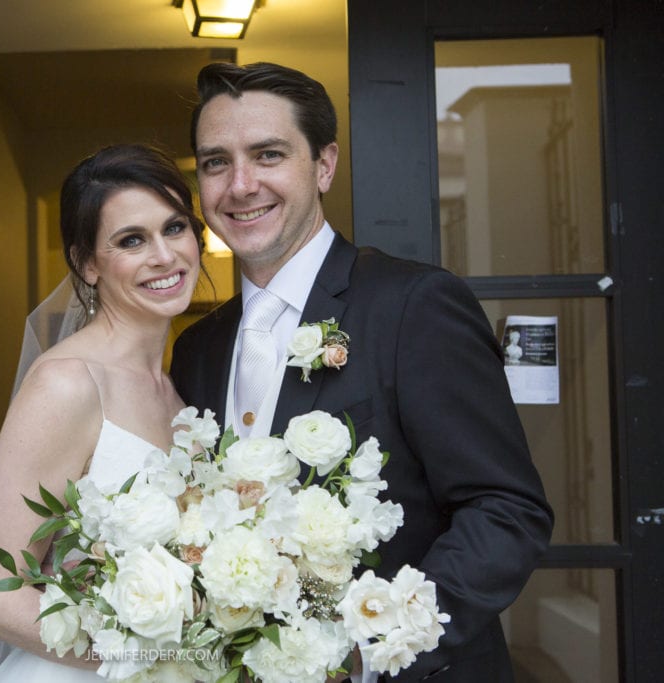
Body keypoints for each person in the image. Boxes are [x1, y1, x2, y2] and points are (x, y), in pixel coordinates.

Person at [170, 62, 553, 682]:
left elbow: (506, 509)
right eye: (216, 162)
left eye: (268, 155)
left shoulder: (415, 305)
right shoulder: (196, 348)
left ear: (324, 165)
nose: (240, 185)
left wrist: (373, 641)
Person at [0, 143, 204, 681]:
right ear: (87, 263)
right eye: (131, 240)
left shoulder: (177, 393)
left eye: (174, 227)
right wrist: (156, 659)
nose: (164, 256)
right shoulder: (66, 384)